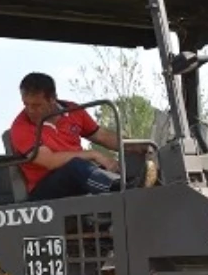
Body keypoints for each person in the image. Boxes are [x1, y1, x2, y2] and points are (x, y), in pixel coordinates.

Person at [9, 71, 152, 200]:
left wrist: (137, 145)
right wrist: (94, 154)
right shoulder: (20, 127)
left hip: (79, 176)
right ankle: (125, 189)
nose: (30, 110)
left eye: (36, 105)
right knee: (76, 166)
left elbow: (101, 135)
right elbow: (50, 161)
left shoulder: (73, 110)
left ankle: (141, 182)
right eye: (26, 104)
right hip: (44, 190)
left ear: (52, 99)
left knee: (103, 168)